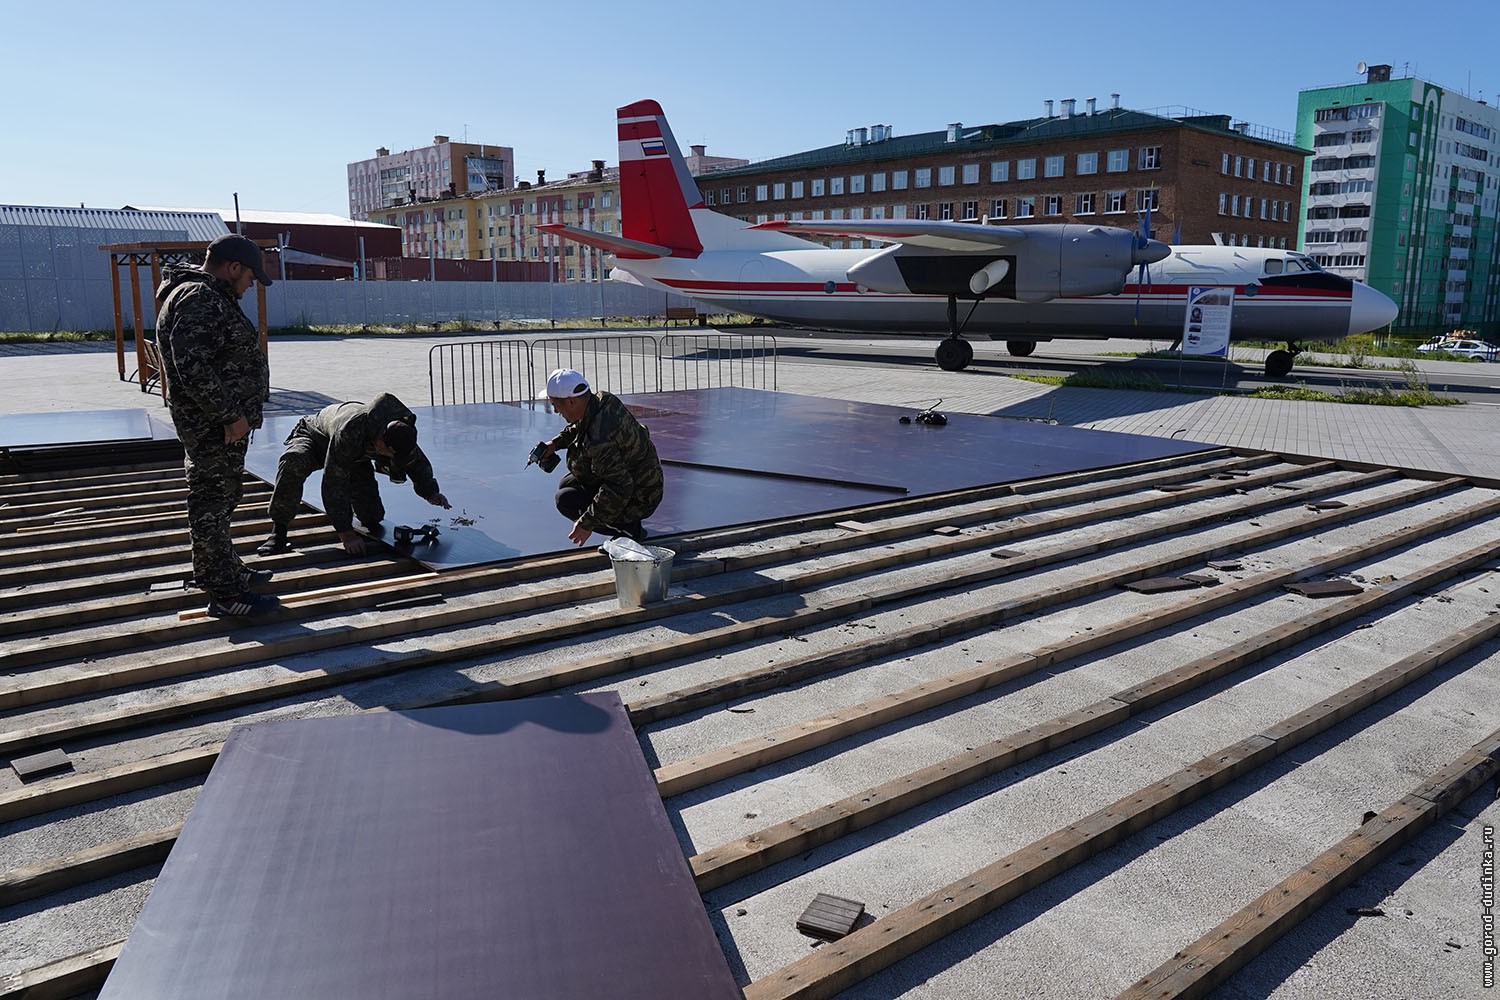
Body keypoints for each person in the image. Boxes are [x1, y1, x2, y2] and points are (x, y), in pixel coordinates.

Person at [155, 233, 278, 619]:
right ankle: (224, 595)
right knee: (210, 504)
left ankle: (228, 571)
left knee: (221, 501)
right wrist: (230, 414)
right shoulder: (200, 298)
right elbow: (192, 366)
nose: (250, 284)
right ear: (233, 268)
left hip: (216, 424)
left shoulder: (205, 295)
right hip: (214, 425)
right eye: (250, 277)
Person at [257, 392, 451, 557]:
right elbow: (334, 483)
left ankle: (364, 515)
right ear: (381, 442)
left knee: (372, 518)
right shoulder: (351, 429)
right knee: (294, 461)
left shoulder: (399, 432)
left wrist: (431, 493)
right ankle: (279, 532)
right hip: (316, 439)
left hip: (355, 456)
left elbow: (417, 463)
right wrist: (346, 533)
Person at [536, 368, 663, 547]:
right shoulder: (601, 400)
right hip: (638, 477)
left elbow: (619, 487)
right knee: (568, 484)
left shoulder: (600, 440)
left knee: (566, 500)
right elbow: (580, 425)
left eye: (556, 405)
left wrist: (587, 523)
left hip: (641, 495)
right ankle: (622, 523)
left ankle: (629, 530)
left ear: (571, 402)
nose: (556, 410)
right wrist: (555, 444)